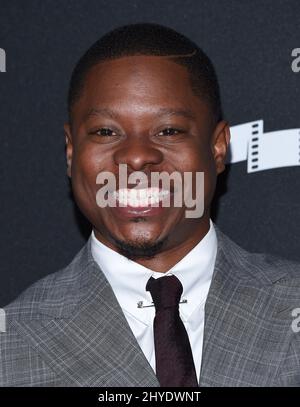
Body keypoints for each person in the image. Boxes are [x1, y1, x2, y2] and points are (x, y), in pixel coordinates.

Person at [1, 23, 300, 387]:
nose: (137, 156)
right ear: (70, 151)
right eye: (106, 132)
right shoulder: (10, 344)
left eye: (169, 130)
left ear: (218, 147)